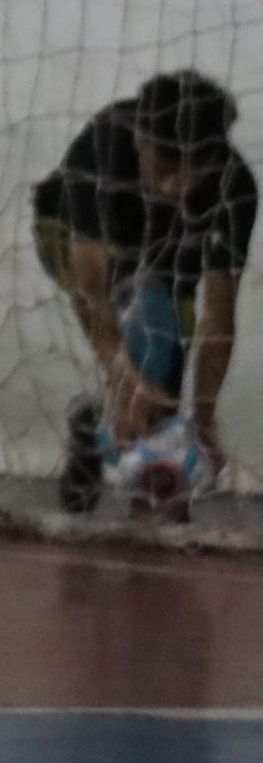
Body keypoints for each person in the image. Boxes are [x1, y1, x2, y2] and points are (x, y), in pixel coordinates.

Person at [32, 70, 253, 511]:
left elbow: (218, 313)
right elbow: (89, 288)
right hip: (69, 234)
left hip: (161, 249)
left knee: (166, 370)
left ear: (212, 161)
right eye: (162, 168)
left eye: (187, 175)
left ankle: (103, 438)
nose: (171, 186)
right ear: (140, 140)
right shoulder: (103, 145)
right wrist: (120, 369)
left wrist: (203, 418)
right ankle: (127, 444)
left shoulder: (236, 189)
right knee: (146, 334)